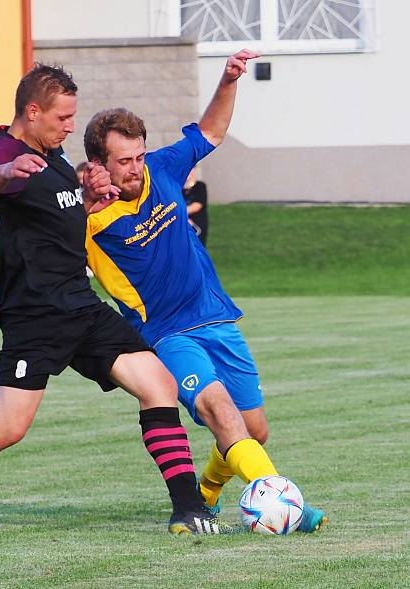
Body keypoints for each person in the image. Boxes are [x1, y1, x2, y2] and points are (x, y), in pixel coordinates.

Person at [0, 64, 230, 537]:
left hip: (80, 306)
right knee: (7, 428)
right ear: (33, 110)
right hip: (34, 317)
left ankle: (188, 508)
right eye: (63, 117)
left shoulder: (56, 154)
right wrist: (3, 171)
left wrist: (89, 202)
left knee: (158, 385)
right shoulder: (8, 152)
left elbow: (61, 221)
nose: (69, 126)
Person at [81, 50, 327, 532]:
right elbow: (58, 215)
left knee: (253, 431)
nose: (134, 168)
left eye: (138, 156)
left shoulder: (163, 169)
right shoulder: (88, 221)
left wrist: (229, 79)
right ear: (100, 163)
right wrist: (83, 194)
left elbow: (210, 132)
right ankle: (285, 506)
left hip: (216, 316)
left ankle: (206, 495)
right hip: (168, 335)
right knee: (219, 409)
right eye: (122, 161)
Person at [183, 167, 208, 245]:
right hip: (182, 226)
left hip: (196, 225)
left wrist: (180, 213)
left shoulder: (200, 186)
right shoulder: (177, 188)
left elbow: (197, 205)